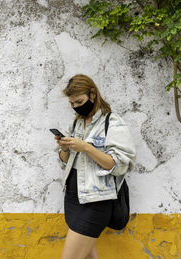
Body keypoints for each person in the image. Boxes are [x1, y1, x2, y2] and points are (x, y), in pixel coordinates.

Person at [55, 74, 136, 259]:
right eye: (72, 104)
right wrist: (65, 148)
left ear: (92, 94)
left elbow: (120, 164)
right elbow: (65, 161)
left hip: (96, 200)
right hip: (73, 198)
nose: (76, 106)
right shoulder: (76, 122)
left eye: (79, 101)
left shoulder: (112, 122)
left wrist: (86, 147)